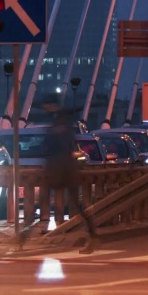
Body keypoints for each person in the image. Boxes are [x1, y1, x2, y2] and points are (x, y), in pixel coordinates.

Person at [40, 94, 99, 253]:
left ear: (50, 105)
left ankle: (25, 233)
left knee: (46, 197)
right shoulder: (62, 120)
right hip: (66, 167)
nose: (45, 109)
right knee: (75, 203)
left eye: (46, 106)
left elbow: (55, 145)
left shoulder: (59, 122)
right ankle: (92, 234)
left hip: (61, 168)